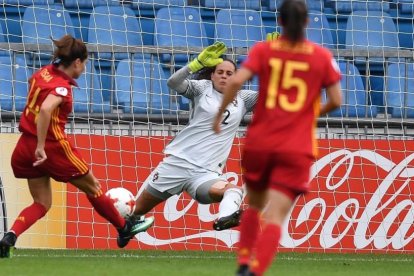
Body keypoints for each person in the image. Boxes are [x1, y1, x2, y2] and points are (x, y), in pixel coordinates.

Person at [213, 0, 342, 275]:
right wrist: (308, 112)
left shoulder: (264, 50)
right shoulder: (320, 56)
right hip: (296, 145)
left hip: (261, 141)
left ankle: (244, 261)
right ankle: (256, 270)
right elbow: (336, 99)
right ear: (307, 22)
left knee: (254, 205)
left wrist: (219, 113)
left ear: (280, 23)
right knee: (275, 216)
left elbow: (236, 82)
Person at [0, 34, 154, 258]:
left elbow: (37, 99)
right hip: (51, 148)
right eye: (85, 63)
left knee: (41, 203)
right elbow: (45, 109)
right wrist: (42, 146)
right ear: (77, 62)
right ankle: (124, 228)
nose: (84, 69)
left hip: (24, 147)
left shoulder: (41, 73)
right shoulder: (62, 88)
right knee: (93, 187)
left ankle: (11, 235)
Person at [118, 40, 266, 248]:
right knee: (136, 211)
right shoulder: (202, 89)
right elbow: (173, 82)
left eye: (229, 73)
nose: (224, 76)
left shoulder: (244, 99)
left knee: (233, 191)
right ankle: (126, 229)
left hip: (205, 174)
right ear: (212, 75)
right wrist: (194, 65)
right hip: (177, 165)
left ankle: (225, 218)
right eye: (220, 72)